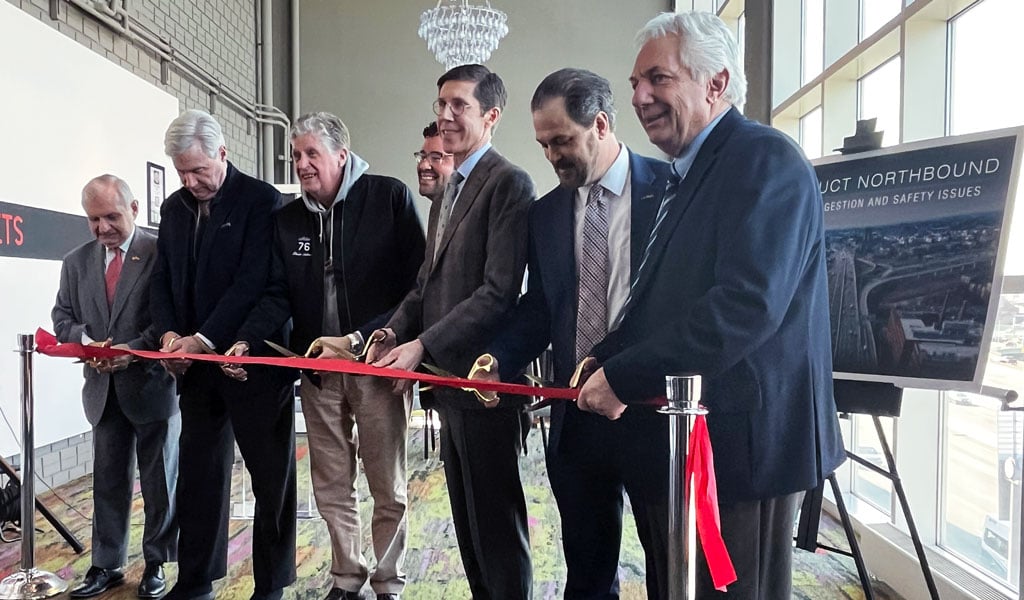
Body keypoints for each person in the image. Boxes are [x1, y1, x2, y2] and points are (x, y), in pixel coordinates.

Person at [574, 11, 846, 598]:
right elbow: (666, 299)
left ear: (716, 83)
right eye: (636, 83)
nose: (639, 97)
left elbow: (745, 306)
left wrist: (624, 376)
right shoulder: (691, 171)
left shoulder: (765, 159)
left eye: (658, 79)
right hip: (681, 441)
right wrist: (607, 356)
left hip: (741, 452)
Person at [473, 67, 675, 599]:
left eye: (561, 140)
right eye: (543, 144)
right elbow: (541, 308)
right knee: (586, 575)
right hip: (577, 417)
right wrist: (499, 358)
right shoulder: (545, 214)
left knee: (670, 570)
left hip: (651, 411)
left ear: (601, 124)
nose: (551, 156)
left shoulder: (671, 192)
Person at [227, 111, 425, 600]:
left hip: (376, 366)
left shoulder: (389, 197)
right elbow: (277, 294)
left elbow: (416, 287)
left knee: (387, 486)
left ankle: (388, 582)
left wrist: (366, 337)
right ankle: (346, 577)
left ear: (341, 154)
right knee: (332, 486)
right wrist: (248, 340)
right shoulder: (287, 219)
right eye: (296, 155)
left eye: (311, 153)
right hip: (318, 372)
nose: (302, 164)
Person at [370, 64, 536, 599]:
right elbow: (426, 284)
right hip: (447, 386)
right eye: (440, 104)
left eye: (459, 105)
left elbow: (498, 292)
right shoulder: (449, 190)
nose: (445, 115)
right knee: (468, 526)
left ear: (491, 116)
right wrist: (393, 332)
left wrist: (423, 344)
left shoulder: (509, 183)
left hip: (485, 385)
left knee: (497, 529)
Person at [150, 109, 297, 600]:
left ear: (223, 153)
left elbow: (253, 281)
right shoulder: (174, 209)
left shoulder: (261, 200)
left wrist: (204, 339)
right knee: (199, 476)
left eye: (199, 170)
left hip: (251, 362)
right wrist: (170, 337)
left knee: (270, 479)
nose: (191, 183)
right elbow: (162, 281)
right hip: (194, 369)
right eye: (182, 173)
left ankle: (270, 585)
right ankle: (195, 580)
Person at [52, 175, 179, 599]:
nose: (102, 227)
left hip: (151, 387)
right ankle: (107, 565)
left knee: (159, 483)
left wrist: (135, 350)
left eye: (111, 216)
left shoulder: (159, 252)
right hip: (102, 392)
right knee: (107, 483)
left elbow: (170, 317)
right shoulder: (75, 262)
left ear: (134, 209)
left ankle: (157, 563)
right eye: (93, 219)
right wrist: (87, 342)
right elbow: (61, 317)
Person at [416, 121, 455, 202]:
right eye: (422, 156)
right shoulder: (439, 207)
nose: (423, 165)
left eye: (436, 157)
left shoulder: (478, 207)